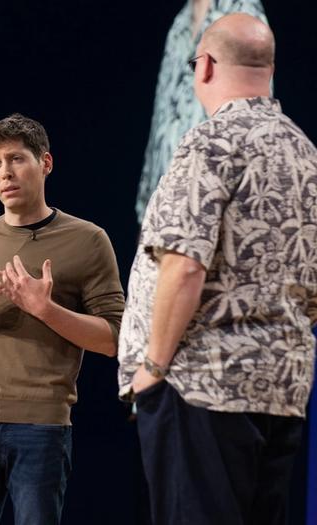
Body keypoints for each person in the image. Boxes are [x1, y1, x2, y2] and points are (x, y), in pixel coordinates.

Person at [118, 13, 317, 525]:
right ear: (269, 69)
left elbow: (184, 266)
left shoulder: (211, 144)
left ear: (204, 66)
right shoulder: (306, 155)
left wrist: (152, 369)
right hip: (281, 391)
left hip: (203, 389)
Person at [0, 113, 125, 525]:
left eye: (16, 159)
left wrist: (45, 310)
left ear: (45, 163)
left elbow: (114, 338)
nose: (5, 172)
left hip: (42, 426)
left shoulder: (88, 240)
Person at [135, 0, 267, 223]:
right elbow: (161, 124)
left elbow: (254, 131)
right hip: (168, 213)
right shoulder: (180, 24)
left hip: (214, 215)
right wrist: (147, 212)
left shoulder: (244, 18)